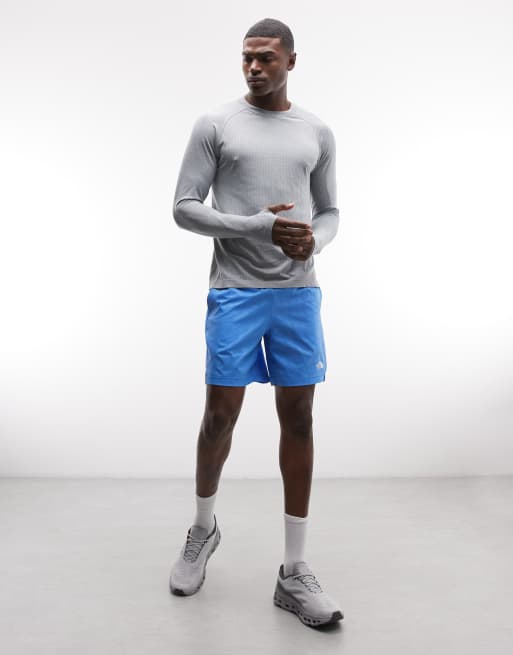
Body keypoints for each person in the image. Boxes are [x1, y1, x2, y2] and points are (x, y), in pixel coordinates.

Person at [169, 17, 343, 628]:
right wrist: (254, 226)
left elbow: (331, 210)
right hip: (235, 293)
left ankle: (294, 571)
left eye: (266, 57)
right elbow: (183, 207)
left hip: (297, 294)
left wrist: (314, 241)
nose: (254, 67)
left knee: (300, 417)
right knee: (220, 415)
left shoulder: (315, 130)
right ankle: (202, 530)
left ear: (291, 61)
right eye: (247, 57)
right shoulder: (216, 125)